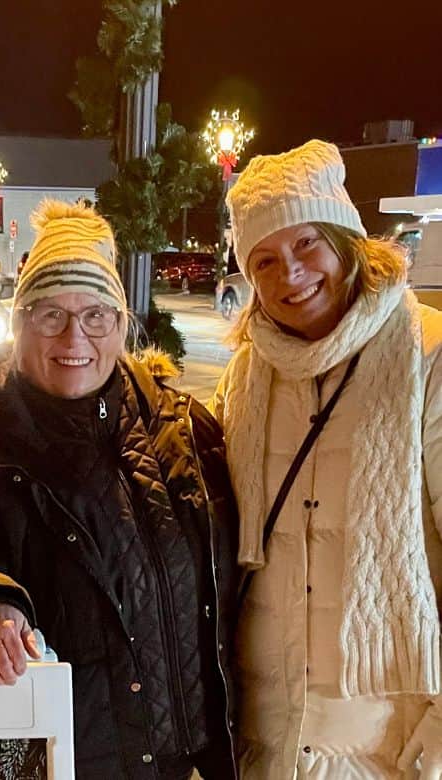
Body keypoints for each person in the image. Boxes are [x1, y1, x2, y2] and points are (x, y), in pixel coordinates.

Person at [0, 200, 239, 778]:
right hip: (73, 760)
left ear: (120, 326)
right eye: (51, 315)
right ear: (19, 324)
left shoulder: (186, 429)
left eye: (96, 315)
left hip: (195, 761)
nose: (75, 336)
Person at [209, 140, 442, 778]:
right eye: (264, 260)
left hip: (388, 744)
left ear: (346, 241)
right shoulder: (244, 378)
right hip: (266, 736)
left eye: (306, 243)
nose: (290, 273)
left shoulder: (427, 357)